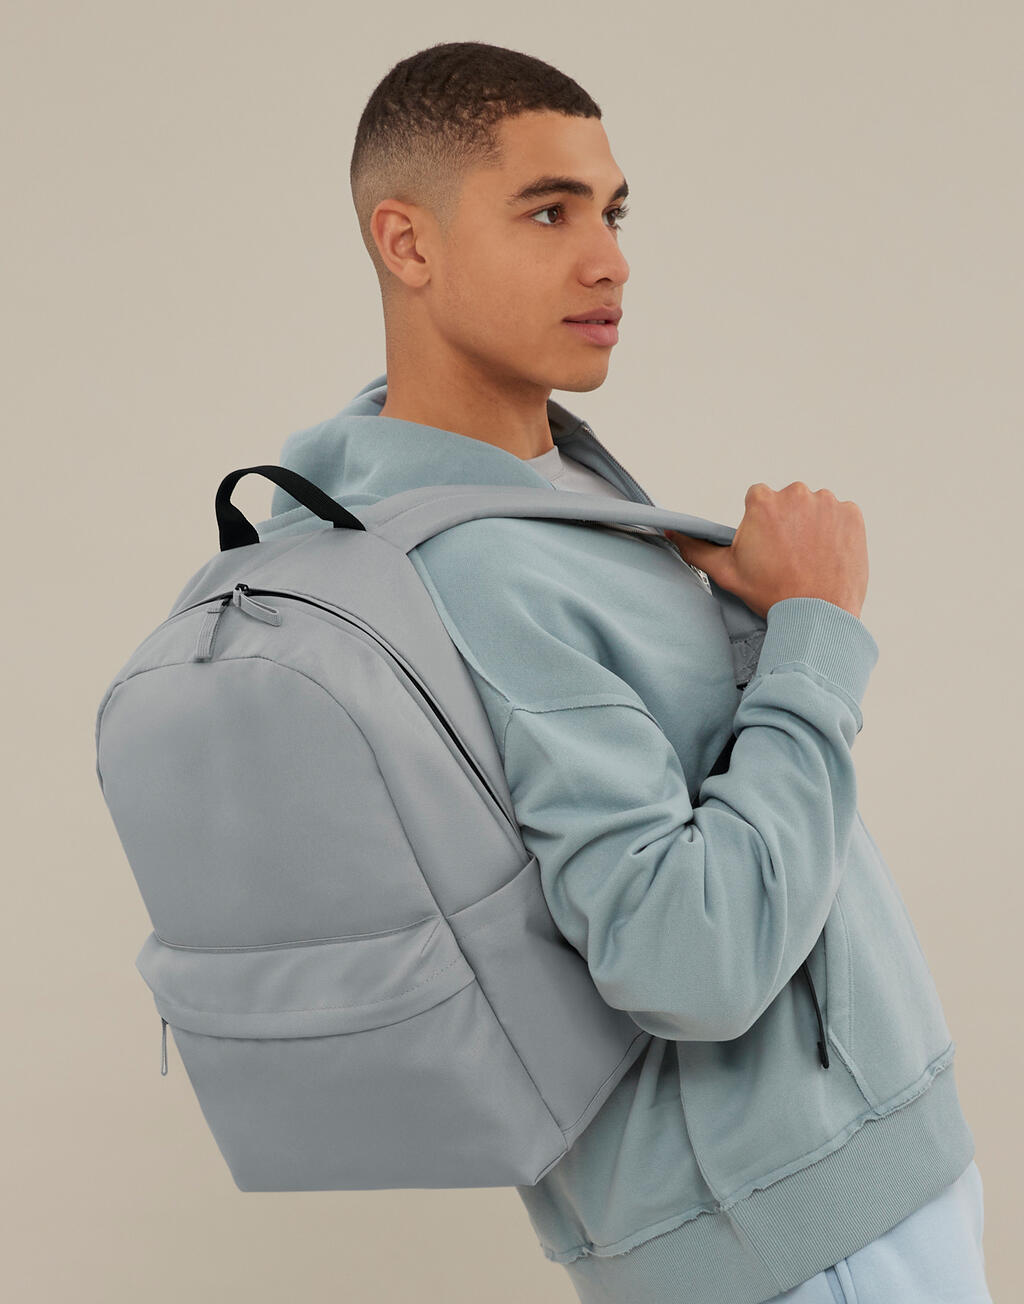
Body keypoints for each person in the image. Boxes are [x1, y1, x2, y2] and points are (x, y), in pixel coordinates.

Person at [269, 40, 992, 1304]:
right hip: (803, 1235)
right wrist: (815, 630)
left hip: (810, 1203)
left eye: (612, 211)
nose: (608, 258)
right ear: (407, 242)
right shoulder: (478, 566)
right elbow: (686, 958)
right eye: (548, 212)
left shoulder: (483, 495)